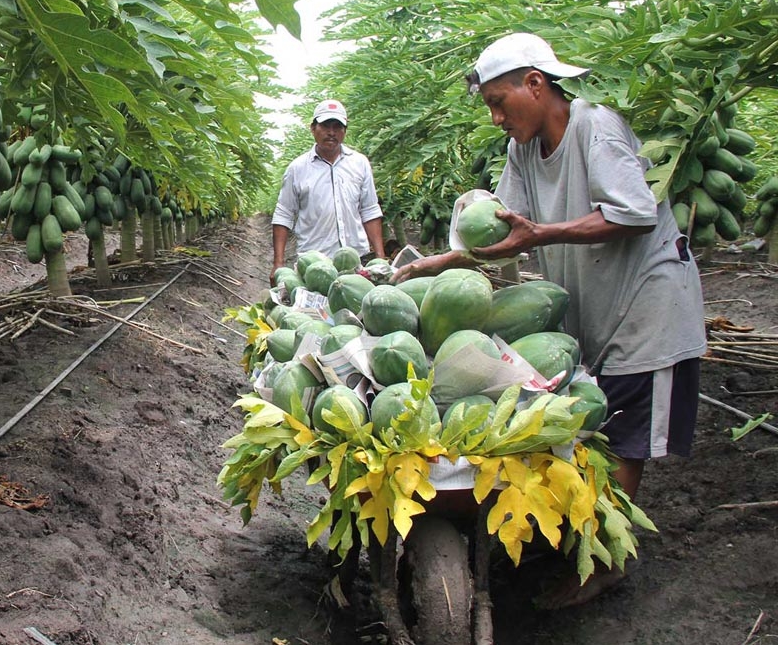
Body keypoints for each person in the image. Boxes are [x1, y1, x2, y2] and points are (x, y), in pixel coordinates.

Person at [392, 33, 707, 607]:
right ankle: (582, 532)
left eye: (498, 102)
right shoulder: (521, 152)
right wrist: (434, 264)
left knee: (625, 433)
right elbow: (508, 235)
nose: (495, 117)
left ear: (535, 84)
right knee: (594, 421)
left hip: (647, 303)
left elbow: (634, 213)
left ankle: (603, 562)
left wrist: (546, 233)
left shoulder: (596, 127)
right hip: (596, 301)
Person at [271, 99, 386, 283]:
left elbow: (369, 210)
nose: (331, 133)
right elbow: (283, 214)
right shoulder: (297, 169)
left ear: (344, 131)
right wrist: (278, 263)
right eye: (325, 126)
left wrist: (380, 257)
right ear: (313, 128)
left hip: (357, 260)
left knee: (354, 305)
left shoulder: (359, 163)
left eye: (337, 127)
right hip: (313, 263)